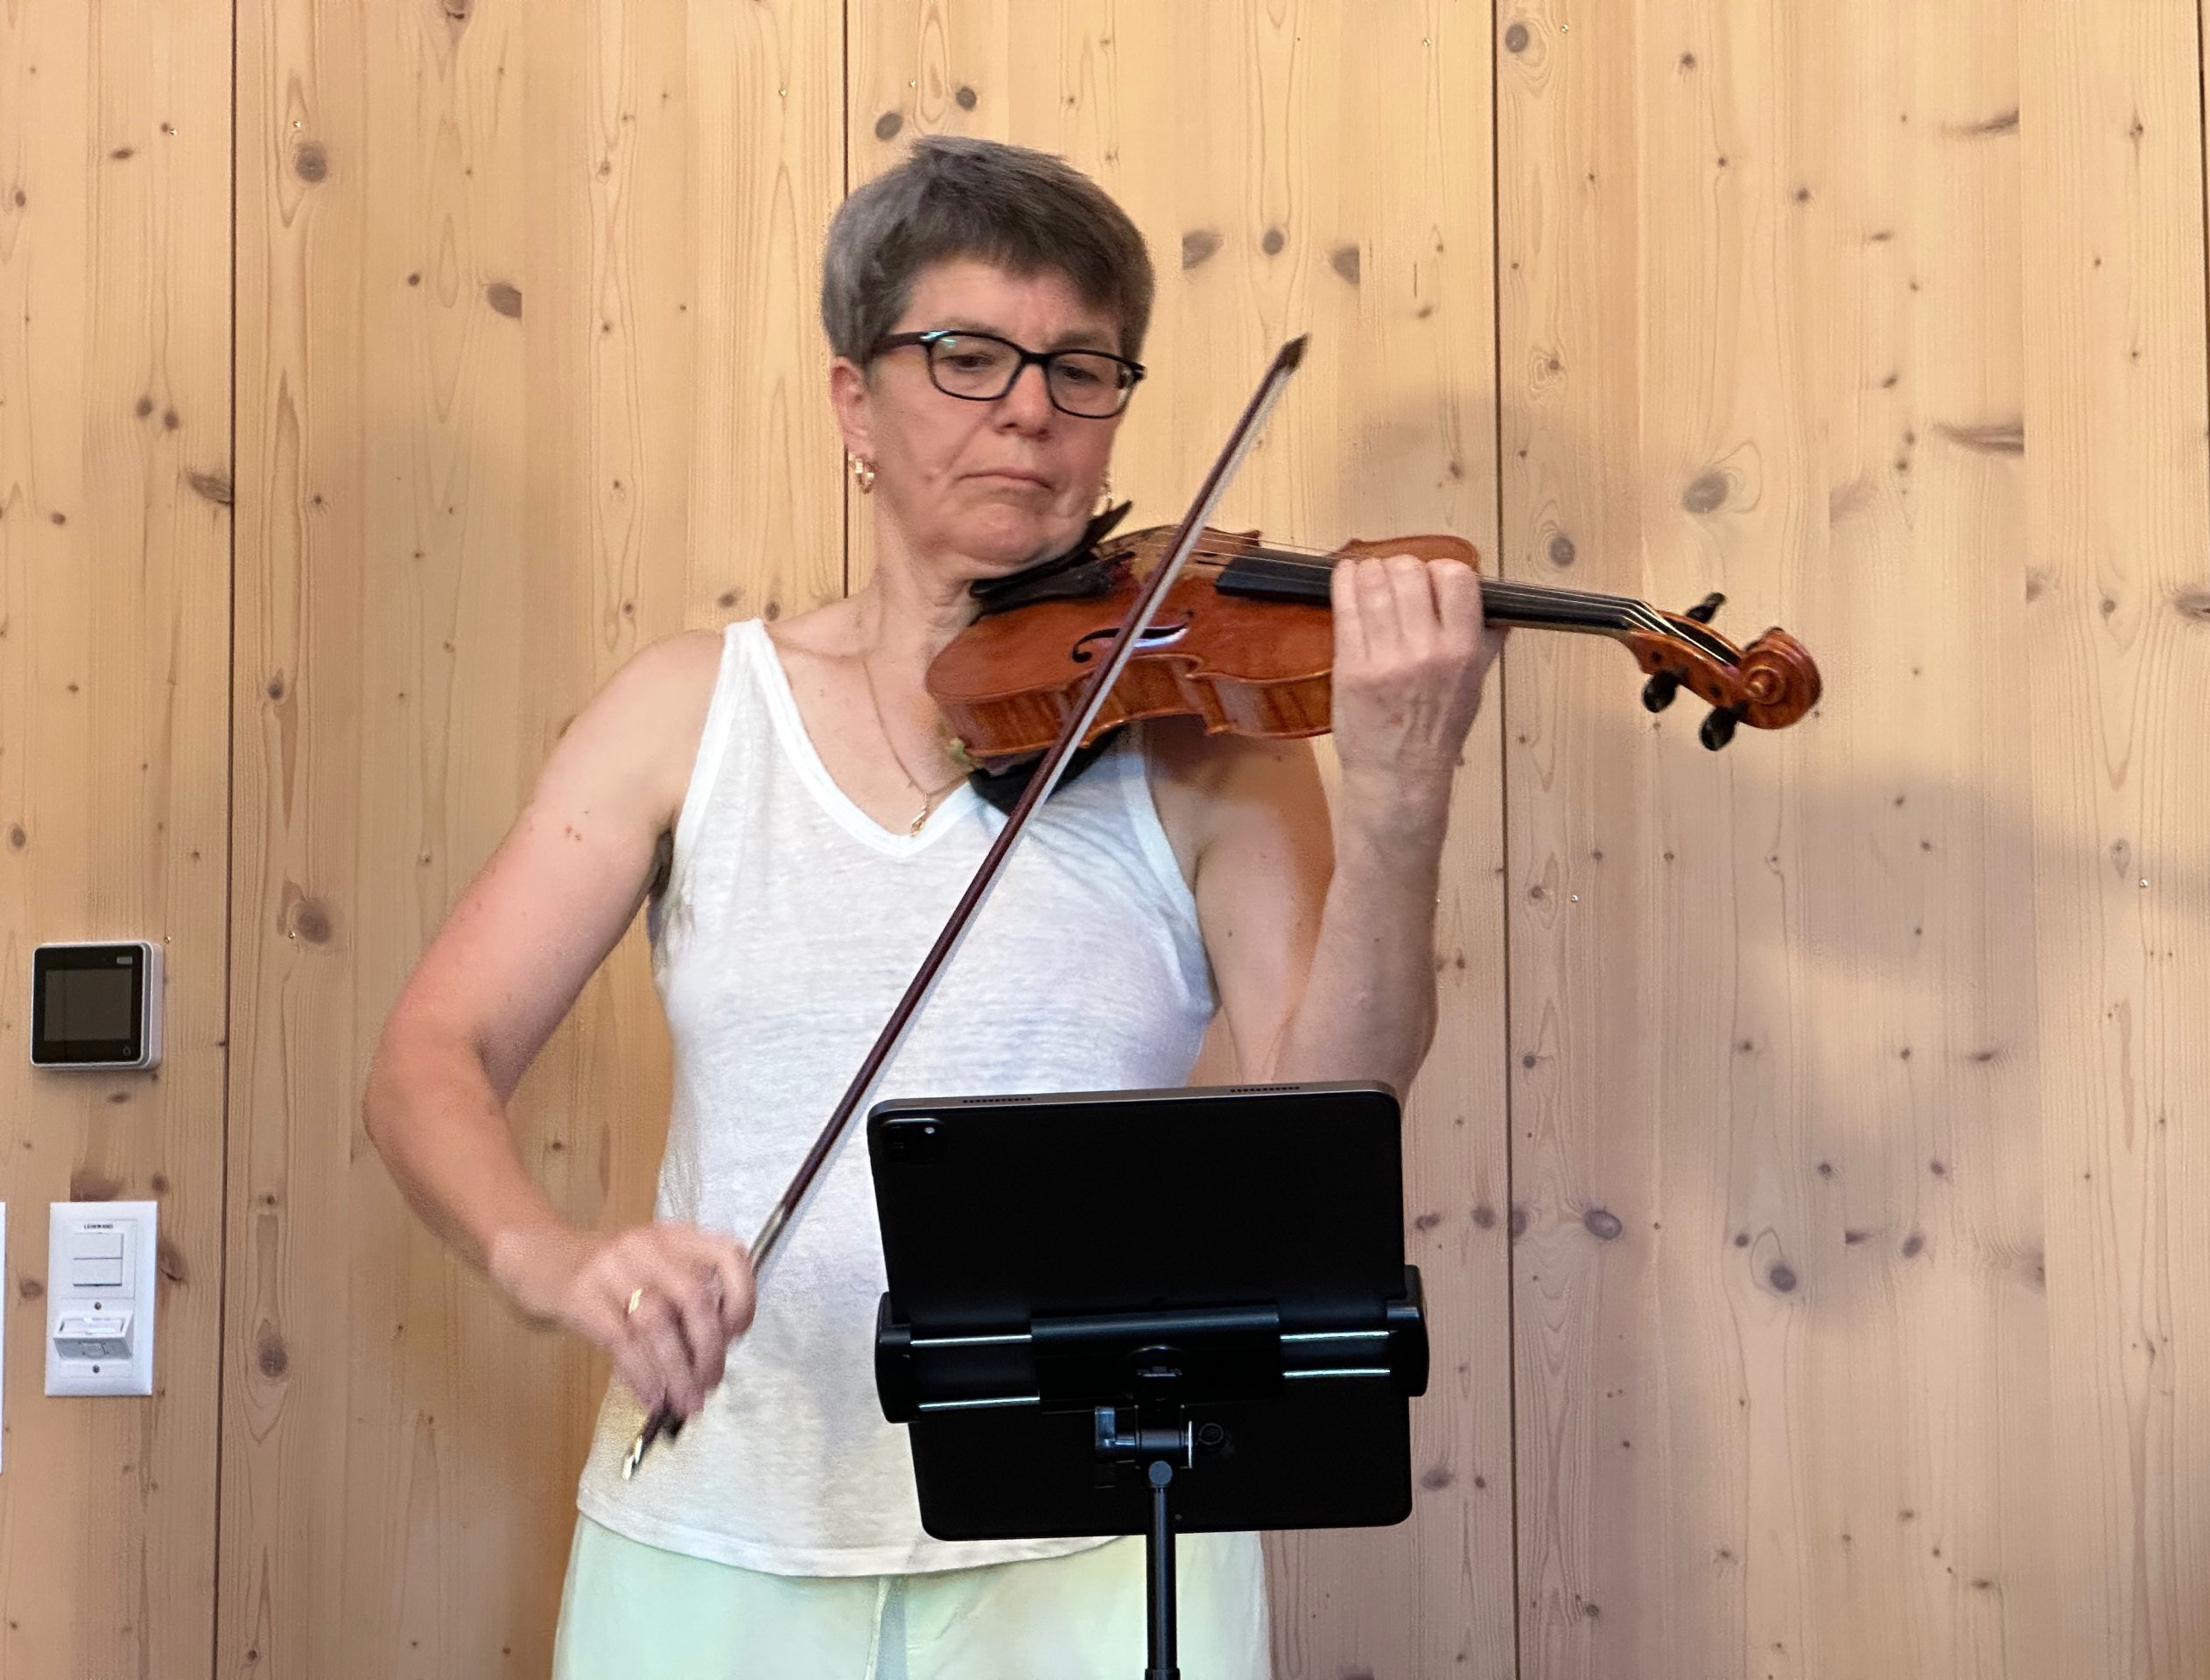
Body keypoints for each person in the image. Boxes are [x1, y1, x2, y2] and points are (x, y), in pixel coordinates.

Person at [362, 133, 1501, 1680]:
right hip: (718, 1532)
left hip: (1094, 1543)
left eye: (1081, 369)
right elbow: (430, 1055)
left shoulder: (1197, 739)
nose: (1029, 409)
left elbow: (1328, 1112)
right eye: (969, 357)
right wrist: (550, 1259)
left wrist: (1404, 800)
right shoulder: (689, 709)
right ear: (856, 402)